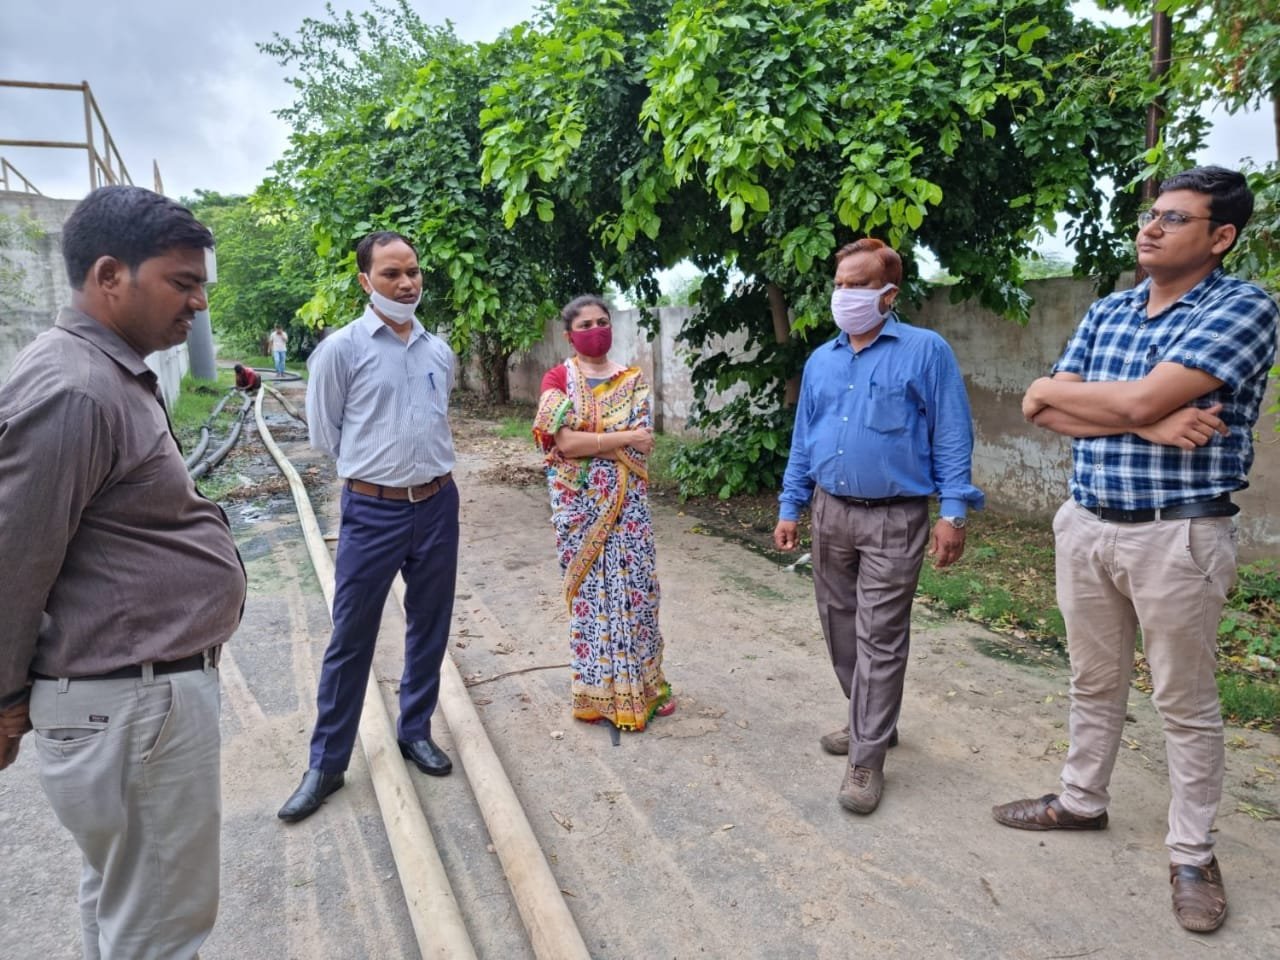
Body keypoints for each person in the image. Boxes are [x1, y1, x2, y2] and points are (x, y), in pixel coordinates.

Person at [992, 166, 1278, 934]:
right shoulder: (1110, 310)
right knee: (1093, 678)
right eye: (1152, 215)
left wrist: (1126, 405)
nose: (1151, 228)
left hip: (1177, 531)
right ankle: (1081, 801)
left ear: (1221, 237)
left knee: (1183, 701)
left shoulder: (1244, 307)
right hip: (1086, 523)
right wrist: (1146, 420)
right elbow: (1035, 403)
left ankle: (1192, 854)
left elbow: (1099, 397)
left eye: (1175, 219)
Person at [0, 185, 246, 959]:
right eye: (182, 282)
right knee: (158, 933)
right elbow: (14, 556)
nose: (199, 304)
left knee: (125, 906)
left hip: (133, 702)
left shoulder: (107, 372)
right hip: (131, 703)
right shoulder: (75, 389)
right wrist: (6, 698)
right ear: (111, 275)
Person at [773, 238, 983, 815]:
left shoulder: (925, 351)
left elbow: (951, 434)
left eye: (856, 285)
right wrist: (792, 507)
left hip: (896, 515)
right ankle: (874, 721)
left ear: (888, 294)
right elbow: (804, 441)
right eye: (838, 284)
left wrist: (953, 511)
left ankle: (866, 759)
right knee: (839, 625)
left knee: (881, 634)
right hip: (830, 511)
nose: (843, 295)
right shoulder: (822, 360)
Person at [278, 231, 459, 823]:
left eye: (413, 272)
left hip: (436, 503)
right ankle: (327, 764)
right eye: (391, 274)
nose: (406, 283)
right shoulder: (341, 350)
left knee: (429, 625)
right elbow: (326, 435)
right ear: (365, 282)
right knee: (351, 636)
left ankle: (415, 731)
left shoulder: (439, 350)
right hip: (372, 510)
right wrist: (377, 479)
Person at [533, 295, 673, 731]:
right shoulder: (557, 378)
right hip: (579, 510)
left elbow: (644, 440)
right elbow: (564, 444)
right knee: (592, 603)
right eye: (586, 324)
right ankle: (595, 693)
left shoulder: (632, 380)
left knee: (637, 595)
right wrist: (620, 436)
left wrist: (599, 439)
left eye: (602, 321)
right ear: (569, 335)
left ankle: (646, 689)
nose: (596, 329)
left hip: (628, 511)